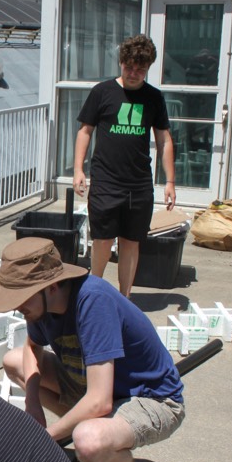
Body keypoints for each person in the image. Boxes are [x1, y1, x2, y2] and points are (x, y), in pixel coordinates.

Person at [0, 237, 185, 462]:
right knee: (14, 362)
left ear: (51, 287)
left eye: (21, 300)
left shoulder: (93, 301)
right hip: (96, 386)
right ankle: (92, 446)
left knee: (88, 442)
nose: (17, 309)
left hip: (151, 399)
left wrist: (45, 439)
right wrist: (32, 404)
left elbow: (99, 401)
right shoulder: (40, 305)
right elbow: (31, 349)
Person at [72, 33, 176, 298]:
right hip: (106, 180)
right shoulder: (102, 92)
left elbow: (163, 139)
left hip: (139, 183)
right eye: (129, 67)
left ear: (148, 68)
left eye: (140, 69)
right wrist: (78, 170)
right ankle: (92, 293)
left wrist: (170, 182)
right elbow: (86, 131)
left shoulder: (154, 97)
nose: (133, 73)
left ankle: (125, 298)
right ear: (121, 62)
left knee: (131, 242)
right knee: (103, 239)